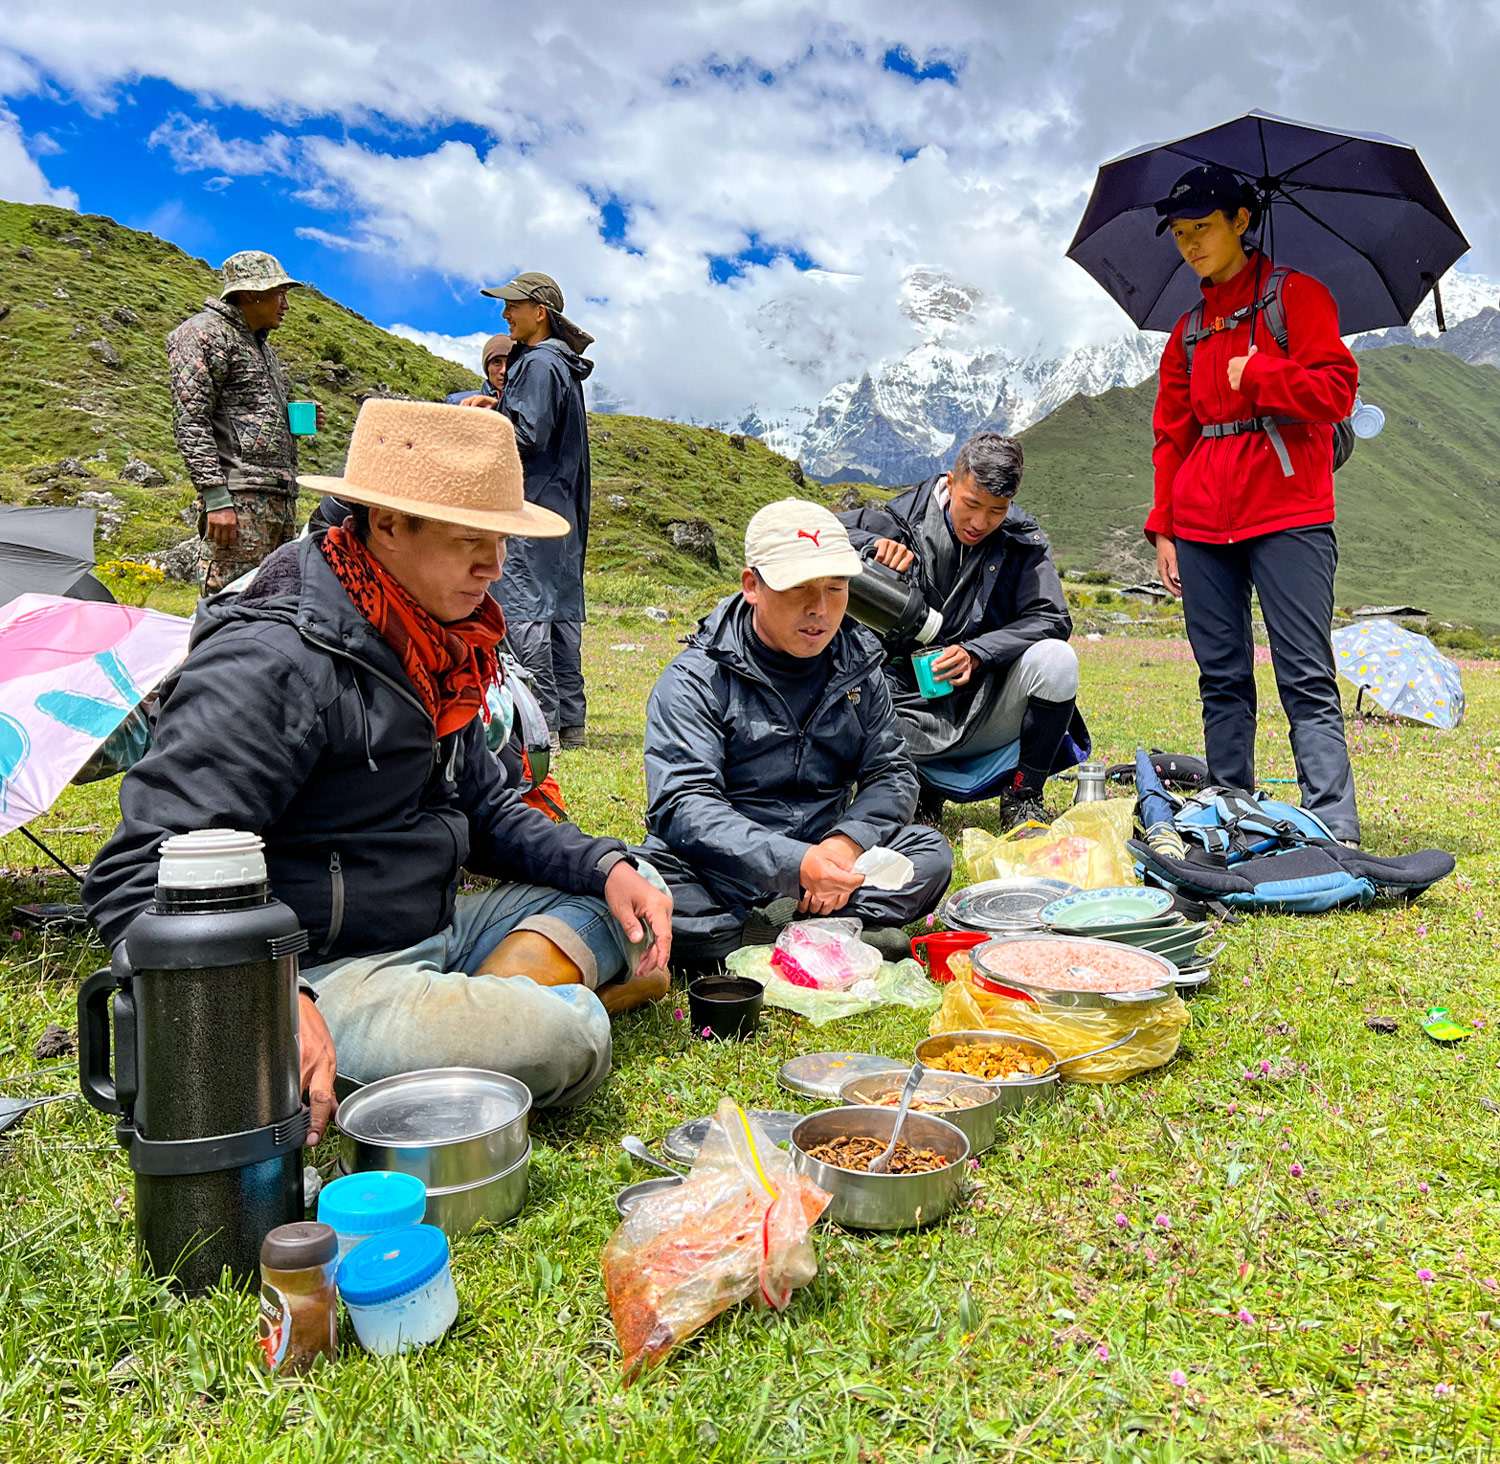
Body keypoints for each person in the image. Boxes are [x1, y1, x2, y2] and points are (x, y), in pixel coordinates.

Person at [83, 400, 673, 1141]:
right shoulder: (274, 660)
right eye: (471, 541)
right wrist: (265, 997)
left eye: (500, 539)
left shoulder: (432, 639)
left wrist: (606, 865)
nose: (494, 565)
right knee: (561, 1042)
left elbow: (485, 810)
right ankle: (498, 1021)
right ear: (388, 524)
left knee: (632, 893)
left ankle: (459, 1018)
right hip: (317, 967)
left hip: (432, 921)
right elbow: (139, 870)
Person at [640, 499, 954, 966]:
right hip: (721, 876)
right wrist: (792, 865)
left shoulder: (860, 668)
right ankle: (822, 936)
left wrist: (843, 844)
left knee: (930, 852)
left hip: (829, 868)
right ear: (752, 585)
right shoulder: (696, 679)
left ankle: (764, 939)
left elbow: (892, 773)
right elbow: (683, 805)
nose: (820, 609)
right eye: (798, 588)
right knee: (643, 881)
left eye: (835, 588)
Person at [1147, 164, 1361, 843]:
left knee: (1304, 672)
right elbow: (1171, 436)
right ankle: (1228, 811)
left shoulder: (1298, 297)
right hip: (1203, 520)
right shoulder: (1186, 332)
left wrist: (1263, 373)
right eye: (1180, 234)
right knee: (1222, 676)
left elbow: (1337, 394)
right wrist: (1164, 530)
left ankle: (1334, 822)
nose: (1190, 245)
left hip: (1289, 512)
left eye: (1202, 228)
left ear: (1243, 220)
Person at [840, 433, 1085, 828]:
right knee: (848, 693)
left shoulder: (1023, 539)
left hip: (983, 702)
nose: (980, 523)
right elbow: (813, 531)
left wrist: (979, 652)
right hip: (900, 710)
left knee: (1057, 660)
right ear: (951, 482)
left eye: (996, 510)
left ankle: (1024, 796)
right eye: (971, 504)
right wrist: (872, 547)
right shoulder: (899, 519)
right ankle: (916, 789)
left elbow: (1052, 618)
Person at [477, 271, 595, 749]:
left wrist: (489, 421)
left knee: (525, 609)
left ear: (539, 312)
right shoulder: (561, 364)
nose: (505, 315)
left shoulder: (538, 364)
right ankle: (572, 725)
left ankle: (538, 727)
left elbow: (527, 438)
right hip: (562, 506)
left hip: (530, 505)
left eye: (513, 306)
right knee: (560, 612)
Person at [166, 250, 321, 595]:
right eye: (279, 293)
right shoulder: (202, 334)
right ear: (251, 293)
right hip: (239, 500)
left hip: (279, 498)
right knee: (228, 604)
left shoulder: (261, 346)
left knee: (274, 603)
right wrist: (217, 499)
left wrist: (294, 416)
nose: (286, 304)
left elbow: (247, 414)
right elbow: (191, 420)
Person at [448, 333, 515, 409]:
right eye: (497, 362)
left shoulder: (527, 407)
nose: (504, 370)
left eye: (510, 363)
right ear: (487, 368)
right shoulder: (458, 404)